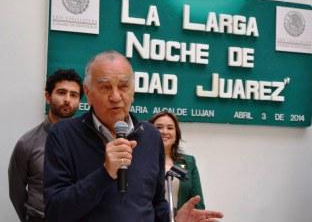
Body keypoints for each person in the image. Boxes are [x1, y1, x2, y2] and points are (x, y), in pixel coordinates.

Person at [44, 50, 223, 222]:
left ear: (133, 92)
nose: (115, 97)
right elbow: (55, 211)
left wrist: (174, 219)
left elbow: (155, 203)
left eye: (123, 86)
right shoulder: (63, 135)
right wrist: (105, 173)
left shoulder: (151, 135)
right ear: (88, 93)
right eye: (106, 87)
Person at [8, 69, 83, 222]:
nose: (67, 99)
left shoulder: (87, 141)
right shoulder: (27, 143)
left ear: (79, 102)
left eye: (73, 95)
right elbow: (16, 192)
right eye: (61, 92)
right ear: (48, 97)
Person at [149, 111, 205, 210]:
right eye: (159, 127)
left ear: (176, 135)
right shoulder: (140, 161)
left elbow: (198, 203)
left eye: (170, 128)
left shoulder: (188, 162)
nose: (164, 132)